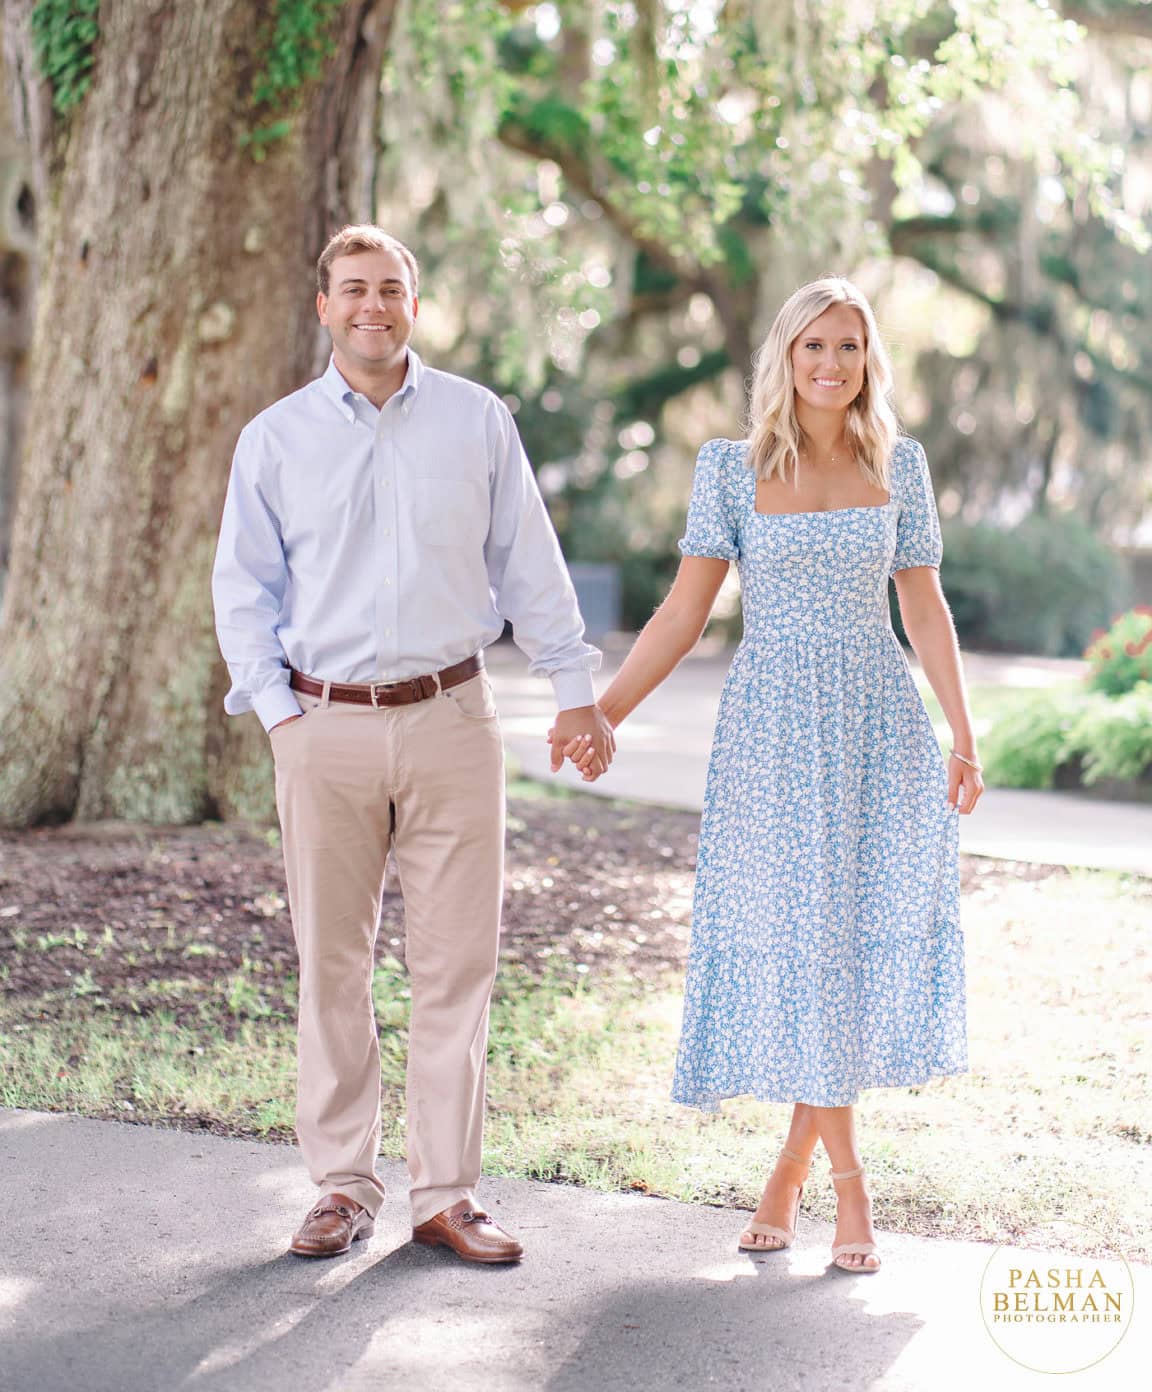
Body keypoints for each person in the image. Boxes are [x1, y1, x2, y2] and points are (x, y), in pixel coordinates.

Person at [559, 277, 982, 1273]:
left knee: (839, 945)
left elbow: (924, 612)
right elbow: (680, 614)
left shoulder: (900, 466)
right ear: (784, 360)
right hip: (773, 735)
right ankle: (847, 1191)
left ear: (868, 360)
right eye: (812, 348)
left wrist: (963, 734)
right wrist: (603, 713)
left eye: (848, 347)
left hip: (878, 724)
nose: (831, 365)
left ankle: (791, 1181)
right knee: (804, 942)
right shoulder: (729, 469)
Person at [212, 223, 614, 1262]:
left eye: (390, 289)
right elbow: (243, 588)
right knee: (330, 967)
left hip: (452, 721)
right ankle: (343, 1188)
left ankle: (447, 1196)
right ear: (324, 307)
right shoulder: (277, 438)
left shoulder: (478, 422)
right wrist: (279, 716)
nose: (372, 307)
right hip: (324, 724)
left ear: (415, 304)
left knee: (456, 967)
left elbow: (531, 564)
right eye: (353, 289)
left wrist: (575, 690)